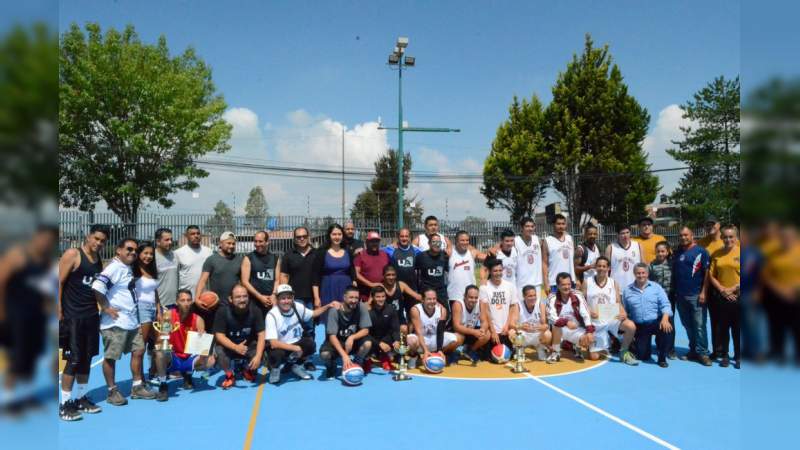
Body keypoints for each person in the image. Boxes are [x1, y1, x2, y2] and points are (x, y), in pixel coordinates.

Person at [0, 226, 57, 416]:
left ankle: (28, 396)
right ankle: (8, 400)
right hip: (15, 316)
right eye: (44, 238)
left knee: (32, 357)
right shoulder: (18, 255)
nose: (46, 243)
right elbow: (1, 281)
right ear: (36, 237)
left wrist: (50, 307)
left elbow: (46, 288)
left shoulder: (45, 261)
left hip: (36, 317)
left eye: (50, 240)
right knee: (17, 358)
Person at [93, 238, 155, 405]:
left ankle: (137, 387)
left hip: (131, 320)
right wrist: (105, 308)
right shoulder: (114, 268)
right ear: (118, 250)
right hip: (115, 322)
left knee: (139, 351)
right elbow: (98, 286)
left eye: (135, 250)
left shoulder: (125, 267)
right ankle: (112, 391)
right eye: (129, 249)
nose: (133, 252)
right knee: (111, 357)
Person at [58, 224, 108, 421]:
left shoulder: (98, 261)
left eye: (102, 241)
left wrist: (104, 310)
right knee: (74, 360)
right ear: (88, 236)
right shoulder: (73, 254)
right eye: (96, 238)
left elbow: (96, 289)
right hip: (72, 317)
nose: (99, 243)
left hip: (90, 316)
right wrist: (58, 308)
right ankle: (64, 404)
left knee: (86, 358)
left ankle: (80, 398)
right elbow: (58, 282)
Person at [265, 284, 339, 384]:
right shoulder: (272, 315)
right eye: (283, 298)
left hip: (296, 342)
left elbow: (313, 314)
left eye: (289, 298)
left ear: (293, 298)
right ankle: (275, 370)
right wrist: (295, 348)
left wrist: (328, 306)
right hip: (281, 346)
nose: (286, 301)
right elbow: (273, 343)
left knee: (310, 345)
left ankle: (297, 366)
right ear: (277, 299)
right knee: (276, 354)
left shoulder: (296, 306)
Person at [152, 289, 215, 401]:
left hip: (189, 358)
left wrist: (203, 338)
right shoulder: (168, 316)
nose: (186, 303)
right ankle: (163, 384)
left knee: (211, 360)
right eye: (182, 300)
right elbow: (162, 340)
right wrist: (165, 334)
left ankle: (188, 375)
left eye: (189, 300)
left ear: (192, 302)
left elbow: (202, 347)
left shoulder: (198, 319)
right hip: (174, 357)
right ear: (177, 302)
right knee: (160, 352)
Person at [581, 257, 638, 364]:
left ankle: (624, 352)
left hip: (611, 316)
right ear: (595, 267)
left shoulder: (613, 282)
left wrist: (623, 312)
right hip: (595, 321)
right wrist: (588, 310)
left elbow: (618, 301)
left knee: (630, 326)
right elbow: (581, 301)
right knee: (594, 357)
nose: (601, 268)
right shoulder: (587, 282)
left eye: (604, 266)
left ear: (608, 268)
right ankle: (605, 341)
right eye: (599, 266)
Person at [213, 284, 265, 389]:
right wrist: (235, 347)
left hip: (248, 346)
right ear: (230, 299)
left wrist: (258, 356)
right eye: (238, 297)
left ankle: (247, 370)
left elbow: (262, 334)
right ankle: (230, 375)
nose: (242, 300)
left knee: (261, 354)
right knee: (219, 351)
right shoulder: (222, 312)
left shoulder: (255, 311)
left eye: (245, 296)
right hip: (229, 346)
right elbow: (219, 335)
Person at [673, 226, 712, 366]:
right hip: (681, 296)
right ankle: (693, 350)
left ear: (692, 235)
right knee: (688, 325)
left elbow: (707, 274)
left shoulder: (701, 251)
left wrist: (703, 292)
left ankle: (703, 353)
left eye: (686, 235)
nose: (683, 237)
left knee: (700, 326)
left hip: (696, 295)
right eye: (681, 235)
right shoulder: (677, 252)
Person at [622, 264, 674, 368]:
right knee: (643, 357)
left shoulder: (656, 287)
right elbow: (625, 310)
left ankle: (662, 358)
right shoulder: (627, 290)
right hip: (640, 326)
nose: (641, 275)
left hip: (655, 322)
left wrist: (665, 319)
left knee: (667, 328)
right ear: (634, 274)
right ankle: (636, 345)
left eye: (643, 273)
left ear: (647, 274)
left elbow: (666, 304)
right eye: (638, 273)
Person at [705, 225, 741, 368]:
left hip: (738, 296)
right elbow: (711, 275)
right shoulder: (716, 254)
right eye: (725, 237)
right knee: (723, 328)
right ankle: (724, 355)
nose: (728, 239)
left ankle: (738, 356)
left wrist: (733, 288)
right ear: (722, 238)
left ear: (736, 237)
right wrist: (722, 289)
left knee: (737, 328)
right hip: (721, 297)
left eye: (731, 236)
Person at [319, 286, 373, 379]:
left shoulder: (362, 307)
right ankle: (332, 366)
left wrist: (352, 337)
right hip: (337, 341)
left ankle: (357, 362)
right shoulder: (334, 311)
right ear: (344, 297)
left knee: (367, 343)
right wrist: (344, 356)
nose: (354, 300)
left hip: (353, 341)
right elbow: (332, 336)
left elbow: (366, 330)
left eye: (356, 298)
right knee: (325, 355)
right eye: (351, 297)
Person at [547, 273, 595, 363]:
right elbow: (551, 318)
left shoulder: (578, 294)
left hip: (576, 328)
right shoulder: (552, 297)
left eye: (569, 284)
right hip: (559, 331)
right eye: (563, 284)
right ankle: (556, 352)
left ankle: (576, 346)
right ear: (557, 286)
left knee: (590, 338)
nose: (567, 287)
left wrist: (589, 331)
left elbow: (586, 313)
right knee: (556, 325)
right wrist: (566, 322)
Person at [407, 288, 459, 367]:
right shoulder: (415, 310)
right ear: (422, 300)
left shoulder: (442, 310)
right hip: (421, 340)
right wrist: (425, 351)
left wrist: (440, 350)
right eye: (429, 299)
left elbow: (440, 332)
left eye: (434, 299)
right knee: (411, 340)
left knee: (457, 338)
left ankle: (438, 354)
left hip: (434, 338)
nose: (432, 301)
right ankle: (414, 356)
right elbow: (418, 332)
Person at [132, 241, 161, 382]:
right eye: (145, 253)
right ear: (139, 254)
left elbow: (155, 293)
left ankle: (153, 373)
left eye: (151, 254)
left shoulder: (151, 270)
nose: (148, 256)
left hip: (153, 309)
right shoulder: (133, 270)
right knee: (140, 347)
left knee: (159, 343)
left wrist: (159, 311)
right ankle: (139, 379)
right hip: (142, 308)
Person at [312, 224, 354, 317]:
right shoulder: (322, 252)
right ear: (329, 236)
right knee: (329, 317)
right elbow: (315, 277)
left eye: (339, 234)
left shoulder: (348, 251)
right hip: (328, 289)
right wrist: (316, 298)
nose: (337, 237)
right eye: (334, 234)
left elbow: (352, 272)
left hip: (345, 289)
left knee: (346, 317)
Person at [479, 258, 519, 353]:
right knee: (493, 357)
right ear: (490, 272)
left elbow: (512, 307)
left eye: (500, 270)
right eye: (495, 271)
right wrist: (492, 331)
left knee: (508, 355)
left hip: (505, 329)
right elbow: (486, 310)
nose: (498, 273)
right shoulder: (484, 288)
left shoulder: (510, 286)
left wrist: (507, 325)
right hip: (493, 331)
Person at [699, 215, 724, 361]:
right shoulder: (702, 243)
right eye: (707, 225)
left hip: (726, 286)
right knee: (714, 320)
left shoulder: (729, 240)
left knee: (731, 321)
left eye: (712, 224)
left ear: (719, 225)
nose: (710, 227)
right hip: (707, 286)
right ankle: (717, 350)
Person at [241, 230, 281, 316]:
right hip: (254, 301)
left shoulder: (275, 259)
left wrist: (273, 295)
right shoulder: (248, 258)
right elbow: (244, 282)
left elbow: (277, 280)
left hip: (271, 301)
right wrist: (260, 297)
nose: (257, 244)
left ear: (267, 242)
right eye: (255, 241)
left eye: (260, 241)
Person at [196, 232, 243, 306]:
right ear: (220, 244)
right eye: (228, 243)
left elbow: (244, 282)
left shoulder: (240, 260)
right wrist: (196, 298)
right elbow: (202, 281)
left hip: (234, 305)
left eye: (233, 244)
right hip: (216, 304)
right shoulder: (211, 260)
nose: (231, 246)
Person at [508, 285, 552, 361]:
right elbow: (511, 324)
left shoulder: (540, 304)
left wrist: (544, 327)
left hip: (537, 335)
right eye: (530, 296)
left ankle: (540, 347)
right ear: (524, 296)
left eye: (534, 295)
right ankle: (520, 349)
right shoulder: (518, 305)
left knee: (547, 334)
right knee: (511, 333)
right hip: (523, 335)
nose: (533, 298)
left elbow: (545, 324)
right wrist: (521, 326)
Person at [649, 241, 676, 359]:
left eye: (663, 251)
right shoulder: (652, 265)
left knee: (670, 321)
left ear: (667, 251)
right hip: (657, 298)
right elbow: (649, 281)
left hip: (670, 296)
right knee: (658, 320)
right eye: (658, 251)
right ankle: (660, 345)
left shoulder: (672, 264)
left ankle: (670, 348)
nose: (660, 253)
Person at [447, 230, 488, 308]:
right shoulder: (450, 252)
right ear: (456, 241)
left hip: (471, 295)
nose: (465, 242)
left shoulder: (472, 252)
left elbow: (489, 259)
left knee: (470, 319)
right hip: (454, 295)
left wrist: (484, 277)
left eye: (467, 240)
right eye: (462, 240)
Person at [452, 285, 491, 363]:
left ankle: (470, 351)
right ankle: (450, 353)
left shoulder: (480, 303)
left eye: (476, 297)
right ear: (464, 296)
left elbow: (484, 321)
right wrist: (473, 332)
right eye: (471, 297)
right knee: (460, 337)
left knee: (487, 334)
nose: (473, 300)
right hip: (459, 333)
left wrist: (483, 329)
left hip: (470, 332)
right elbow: (456, 326)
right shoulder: (458, 304)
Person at [366, 286, 401, 371]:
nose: (381, 299)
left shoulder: (391, 310)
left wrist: (397, 340)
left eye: (383, 296)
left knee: (394, 337)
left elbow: (395, 328)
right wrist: (379, 344)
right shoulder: (367, 311)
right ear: (373, 297)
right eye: (378, 297)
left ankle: (385, 357)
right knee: (365, 341)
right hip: (371, 339)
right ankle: (367, 359)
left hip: (386, 339)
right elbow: (365, 332)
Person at [380, 265, 420, 334]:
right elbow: (369, 304)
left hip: (399, 318)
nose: (391, 277)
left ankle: (404, 344)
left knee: (404, 328)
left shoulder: (401, 285)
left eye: (393, 275)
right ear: (383, 276)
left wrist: (433, 301)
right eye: (388, 275)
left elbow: (417, 296)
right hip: (384, 318)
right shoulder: (379, 287)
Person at [415, 234, 450, 312]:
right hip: (426, 290)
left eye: (439, 242)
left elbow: (449, 272)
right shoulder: (421, 256)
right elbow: (415, 273)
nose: (436, 244)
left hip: (441, 291)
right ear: (429, 243)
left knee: (445, 313)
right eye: (434, 242)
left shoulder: (444, 256)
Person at [542, 214, 576, 294]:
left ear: (566, 225)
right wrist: (546, 283)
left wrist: (576, 278)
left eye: (563, 224)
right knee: (555, 306)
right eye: (558, 224)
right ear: (553, 225)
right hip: (554, 282)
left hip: (570, 282)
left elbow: (572, 261)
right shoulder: (548, 241)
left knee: (570, 305)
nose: (561, 226)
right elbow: (544, 263)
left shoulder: (569, 239)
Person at [175, 225, 213, 298]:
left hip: (205, 297)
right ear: (186, 236)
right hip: (186, 298)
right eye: (192, 234)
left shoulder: (209, 252)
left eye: (198, 233)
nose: (196, 236)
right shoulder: (178, 253)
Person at [514, 217, 546, 298]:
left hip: (536, 283)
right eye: (527, 226)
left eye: (532, 226)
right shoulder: (515, 241)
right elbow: (501, 245)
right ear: (521, 228)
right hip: (521, 283)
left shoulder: (538, 240)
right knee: (522, 309)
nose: (530, 228)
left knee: (536, 308)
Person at [383, 227, 421, 295]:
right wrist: (361, 250)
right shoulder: (391, 249)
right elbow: (377, 250)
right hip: (396, 288)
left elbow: (429, 252)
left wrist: (446, 248)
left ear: (410, 237)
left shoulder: (415, 250)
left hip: (412, 288)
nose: (404, 238)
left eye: (406, 236)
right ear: (398, 237)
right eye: (402, 236)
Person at [354, 231, 390, 302]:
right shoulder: (361, 255)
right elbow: (356, 273)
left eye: (376, 241)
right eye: (372, 241)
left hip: (381, 294)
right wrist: (370, 284)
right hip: (365, 294)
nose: (374, 244)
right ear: (367, 242)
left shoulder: (385, 255)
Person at [605, 225, 642, 290]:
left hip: (635, 287)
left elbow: (643, 266)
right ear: (618, 235)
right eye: (623, 233)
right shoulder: (611, 248)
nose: (625, 235)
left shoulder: (638, 246)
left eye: (627, 232)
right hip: (616, 287)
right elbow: (605, 269)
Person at [154, 228, 178, 308]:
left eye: (171, 239)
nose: (170, 242)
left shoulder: (175, 255)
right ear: (158, 241)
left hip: (175, 304)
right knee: (157, 321)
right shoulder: (151, 258)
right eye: (167, 240)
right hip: (159, 305)